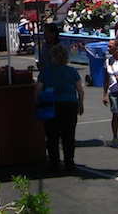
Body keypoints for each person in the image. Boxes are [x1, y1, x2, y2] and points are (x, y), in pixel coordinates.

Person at [35, 42, 84, 171]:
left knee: (52, 135)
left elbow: (37, 89)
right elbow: (80, 90)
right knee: (68, 135)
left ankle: (54, 162)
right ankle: (69, 162)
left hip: (52, 103)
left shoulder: (46, 72)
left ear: (54, 57)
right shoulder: (72, 71)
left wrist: (35, 103)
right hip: (70, 104)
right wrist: (81, 103)